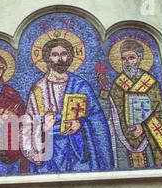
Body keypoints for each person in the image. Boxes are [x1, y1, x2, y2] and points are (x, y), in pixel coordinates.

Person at [22, 38, 113, 173]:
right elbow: (28, 122)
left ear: (70, 57)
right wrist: (42, 126)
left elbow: (97, 117)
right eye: (55, 54)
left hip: (76, 148)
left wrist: (81, 123)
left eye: (64, 53)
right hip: (48, 149)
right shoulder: (38, 88)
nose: (60, 59)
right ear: (47, 58)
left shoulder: (81, 85)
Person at [99, 39, 162, 168]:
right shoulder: (118, 84)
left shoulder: (151, 83)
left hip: (148, 137)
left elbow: (160, 112)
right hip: (123, 137)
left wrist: (143, 127)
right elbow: (110, 112)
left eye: (131, 58)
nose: (128, 62)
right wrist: (105, 91)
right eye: (124, 59)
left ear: (139, 59)